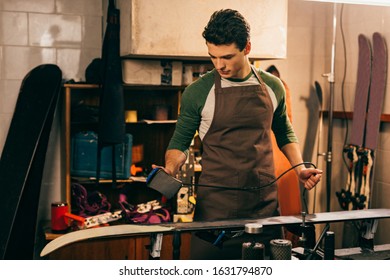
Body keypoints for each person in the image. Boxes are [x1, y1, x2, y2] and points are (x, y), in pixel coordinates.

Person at [157, 9, 322, 259]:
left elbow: (285, 132)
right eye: (213, 57)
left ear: (247, 48)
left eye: (227, 56)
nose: (219, 65)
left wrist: (300, 169)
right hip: (214, 216)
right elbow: (180, 142)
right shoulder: (198, 92)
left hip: (264, 211)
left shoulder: (273, 86)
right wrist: (169, 170)